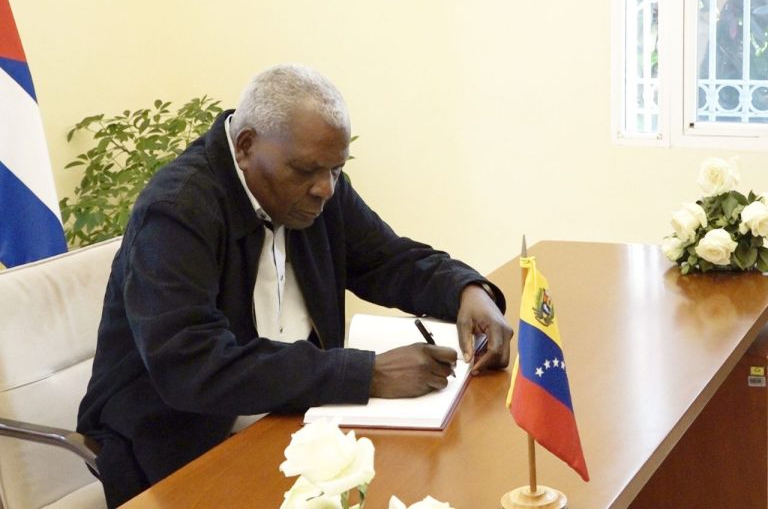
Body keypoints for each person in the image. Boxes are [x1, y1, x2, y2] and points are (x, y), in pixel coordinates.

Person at [77, 63, 513, 507]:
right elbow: (191, 366)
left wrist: (468, 290)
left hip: (294, 425)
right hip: (181, 449)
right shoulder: (177, 209)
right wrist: (367, 374)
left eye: (336, 170)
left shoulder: (316, 187)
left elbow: (388, 259)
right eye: (307, 171)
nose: (325, 188)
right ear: (245, 146)